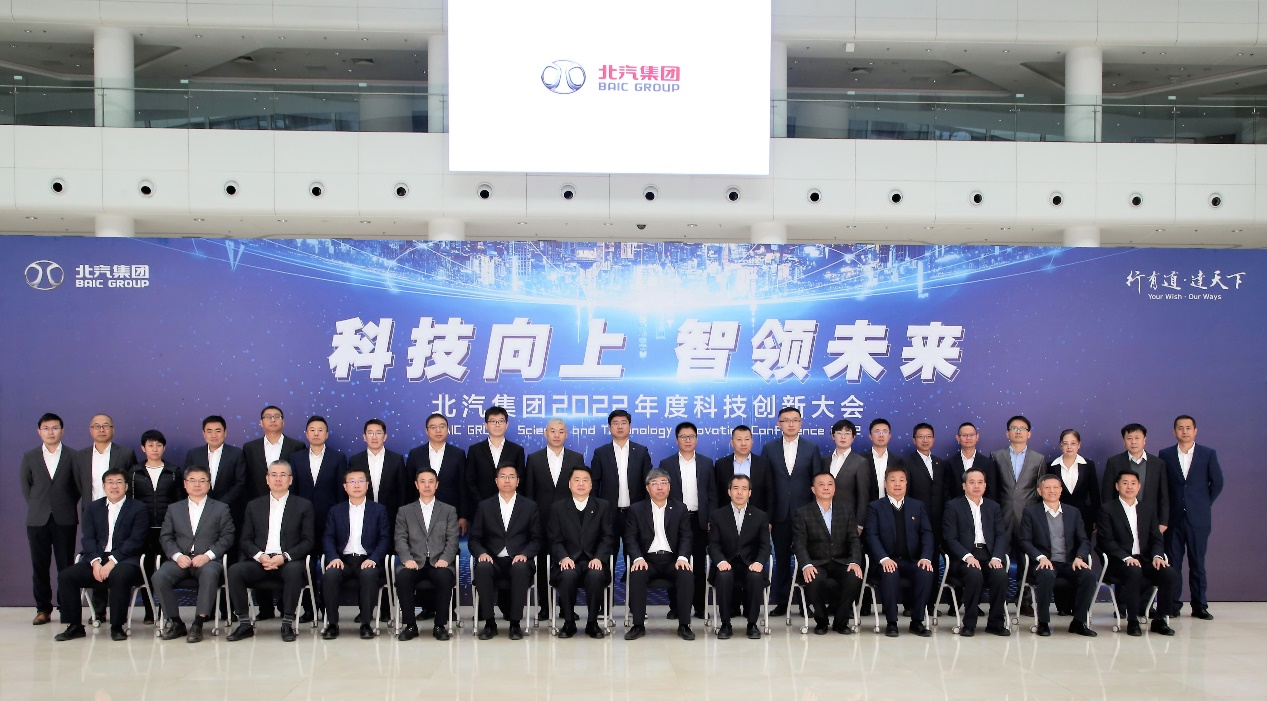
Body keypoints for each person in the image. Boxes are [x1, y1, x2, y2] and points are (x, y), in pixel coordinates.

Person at [54, 467, 148, 642]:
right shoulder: (93, 508)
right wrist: (96, 562)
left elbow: (136, 541)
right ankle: (74, 626)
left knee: (119, 576)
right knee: (66, 576)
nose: (114, 486)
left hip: (126, 559)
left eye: (119, 482)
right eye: (110, 483)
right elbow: (88, 538)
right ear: (104, 486)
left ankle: (117, 626)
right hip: (97, 558)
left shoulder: (138, 508)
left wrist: (112, 561)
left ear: (126, 486)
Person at [226, 460, 315, 643]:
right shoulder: (254, 506)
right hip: (261, 561)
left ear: (290, 480)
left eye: (283, 475)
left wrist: (285, 557)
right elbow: (245, 540)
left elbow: (308, 541)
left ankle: (287, 624)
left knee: (294, 571)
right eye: (274, 475)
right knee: (235, 571)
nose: (278, 479)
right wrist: (260, 556)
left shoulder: (303, 505)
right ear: (267, 479)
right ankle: (244, 624)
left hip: (288, 561)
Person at [151, 464, 235, 643]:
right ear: (185, 484)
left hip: (208, 561)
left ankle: (198, 624)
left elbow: (228, 536)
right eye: (192, 480)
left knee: (210, 574)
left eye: (202, 481)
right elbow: (165, 536)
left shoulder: (221, 508)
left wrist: (208, 555)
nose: (197, 484)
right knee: (159, 576)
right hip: (179, 561)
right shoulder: (174, 508)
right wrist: (177, 556)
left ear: (209, 484)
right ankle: (176, 622)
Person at [1098, 470, 1177, 636]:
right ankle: (1133, 620)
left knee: (1168, 572)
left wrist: (1157, 556)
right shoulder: (1107, 509)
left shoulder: (1147, 509)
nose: (1129, 487)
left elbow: (1157, 538)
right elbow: (1106, 541)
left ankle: (1160, 620)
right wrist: (1126, 557)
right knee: (1134, 570)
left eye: (1133, 483)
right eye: (1125, 483)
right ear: (1117, 486)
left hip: (1146, 560)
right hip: (1119, 562)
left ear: (1139, 486)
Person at [1159, 415, 1223, 620]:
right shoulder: (1165, 454)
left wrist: (1202, 504)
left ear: (1195, 431)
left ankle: (1199, 605)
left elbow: (1217, 483)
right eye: (1180, 428)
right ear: (1174, 431)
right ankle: (1172, 605)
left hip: (1198, 519)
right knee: (1173, 564)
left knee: (1197, 563)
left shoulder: (1208, 454)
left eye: (1188, 428)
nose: (1184, 431)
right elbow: (1163, 486)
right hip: (1173, 518)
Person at [524, 418, 586, 621]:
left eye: (560, 431)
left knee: (569, 562)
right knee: (543, 564)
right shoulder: (534, 459)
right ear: (545, 433)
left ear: (566, 434)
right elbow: (529, 493)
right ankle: (545, 606)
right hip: (541, 520)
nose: (556, 435)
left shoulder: (576, 458)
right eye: (552, 431)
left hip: (569, 520)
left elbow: (581, 490)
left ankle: (567, 608)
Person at [22, 413, 81, 626]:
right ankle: (43, 609)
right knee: (40, 566)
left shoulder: (73, 455)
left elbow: (77, 487)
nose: (50, 432)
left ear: (62, 431)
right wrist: (41, 505)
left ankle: (66, 607)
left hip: (64, 518)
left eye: (55, 428)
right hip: (37, 519)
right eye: (46, 428)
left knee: (65, 566)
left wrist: (62, 504)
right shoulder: (30, 456)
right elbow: (26, 487)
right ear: (39, 432)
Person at [1020, 474, 1097, 637]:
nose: (1052, 491)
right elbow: (1025, 541)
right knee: (1046, 575)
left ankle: (1078, 622)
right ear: (1040, 491)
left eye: (1055, 487)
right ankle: (1043, 623)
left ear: (1061, 490)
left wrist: (1080, 557)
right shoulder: (1030, 512)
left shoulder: (1073, 512)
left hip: (1069, 562)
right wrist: (1040, 557)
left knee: (1089, 576)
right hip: (1044, 562)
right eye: (1047, 488)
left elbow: (1084, 540)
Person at [762, 406, 822, 617]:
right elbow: (765, 484)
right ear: (778, 424)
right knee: (781, 560)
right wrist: (767, 516)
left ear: (800, 423)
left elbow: (817, 482)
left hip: (805, 515)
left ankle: (808, 604)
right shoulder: (769, 448)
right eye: (785, 420)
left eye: (794, 420)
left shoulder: (811, 448)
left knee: (807, 560)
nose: (790, 424)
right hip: (779, 515)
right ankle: (782, 602)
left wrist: (815, 514)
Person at [623, 469, 695, 641]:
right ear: (647, 488)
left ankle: (684, 625)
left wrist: (682, 558)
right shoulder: (636, 509)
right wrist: (638, 558)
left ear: (669, 486)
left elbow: (686, 536)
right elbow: (630, 538)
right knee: (637, 573)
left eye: (664, 483)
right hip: (647, 560)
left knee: (686, 574)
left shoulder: (680, 508)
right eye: (654, 483)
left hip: (672, 560)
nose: (660, 487)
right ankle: (638, 625)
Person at [470, 464, 539, 640]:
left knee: (520, 568)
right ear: (496, 481)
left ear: (518, 481)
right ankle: (489, 623)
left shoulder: (529, 506)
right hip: (492, 559)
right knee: (482, 568)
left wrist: (525, 554)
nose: (507, 480)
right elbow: (474, 539)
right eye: (503, 476)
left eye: (511, 476)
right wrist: (481, 553)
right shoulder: (484, 506)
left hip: (519, 559)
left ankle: (515, 624)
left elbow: (537, 539)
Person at [290, 415, 348, 622]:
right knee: (306, 565)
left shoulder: (338, 458)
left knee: (328, 565)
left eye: (320, 430)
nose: (316, 433)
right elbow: (293, 492)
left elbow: (342, 494)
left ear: (327, 434)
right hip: (302, 521)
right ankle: (309, 608)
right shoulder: (296, 458)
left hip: (329, 521)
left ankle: (327, 608)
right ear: (306, 434)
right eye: (312, 430)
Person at [865, 468, 935, 637]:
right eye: (893, 480)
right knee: (890, 572)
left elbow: (927, 533)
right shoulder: (875, 507)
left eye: (901, 480)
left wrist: (926, 557)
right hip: (886, 561)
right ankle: (891, 622)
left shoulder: (917, 506)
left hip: (911, 560)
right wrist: (883, 559)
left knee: (925, 572)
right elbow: (871, 535)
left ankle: (917, 621)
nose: (897, 484)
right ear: (885, 483)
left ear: (906, 483)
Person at [321, 467, 389, 640]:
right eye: (352, 481)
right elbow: (328, 537)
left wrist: (374, 559)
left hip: (367, 559)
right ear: (345, 487)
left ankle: (366, 623)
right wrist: (333, 557)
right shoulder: (336, 511)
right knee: (330, 575)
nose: (356, 485)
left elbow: (384, 539)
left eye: (360, 481)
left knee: (369, 574)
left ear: (367, 485)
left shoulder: (379, 510)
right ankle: (332, 624)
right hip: (342, 560)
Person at [546, 467, 615, 638]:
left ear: (591, 485)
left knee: (595, 575)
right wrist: (563, 557)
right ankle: (569, 623)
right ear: (569, 484)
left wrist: (599, 558)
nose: (581, 483)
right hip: (569, 560)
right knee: (567, 575)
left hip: (593, 560)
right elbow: (554, 539)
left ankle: (592, 623)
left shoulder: (602, 506)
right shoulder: (558, 508)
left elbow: (607, 537)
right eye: (576, 480)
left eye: (585, 480)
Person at [393, 468, 460, 641]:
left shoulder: (448, 510)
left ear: (437, 485)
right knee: (403, 577)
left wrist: (445, 559)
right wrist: (407, 559)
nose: (427, 485)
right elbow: (400, 538)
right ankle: (410, 625)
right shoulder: (405, 511)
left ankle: (440, 625)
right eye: (422, 481)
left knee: (445, 577)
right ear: (416, 485)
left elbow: (453, 540)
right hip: (414, 562)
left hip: (439, 562)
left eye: (431, 481)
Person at [942, 467, 1009, 636]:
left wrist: (997, 557)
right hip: (964, 557)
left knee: (1000, 575)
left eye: (980, 482)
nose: (976, 486)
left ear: (985, 485)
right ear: (964, 485)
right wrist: (967, 556)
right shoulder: (953, 506)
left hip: (988, 555)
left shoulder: (993, 507)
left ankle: (995, 623)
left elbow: (1001, 535)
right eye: (972, 482)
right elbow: (950, 538)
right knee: (974, 574)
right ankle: (969, 623)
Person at [793, 472, 863, 635]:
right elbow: (799, 543)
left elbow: (854, 540)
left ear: (834, 488)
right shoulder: (803, 512)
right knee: (813, 578)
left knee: (854, 576)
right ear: (813, 489)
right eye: (821, 484)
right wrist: (806, 565)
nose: (826, 488)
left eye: (830, 484)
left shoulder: (846, 511)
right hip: (816, 563)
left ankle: (841, 621)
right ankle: (821, 621)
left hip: (841, 562)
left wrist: (854, 561)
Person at [130, 429, 185, 624]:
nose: (155, 449)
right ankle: (149, 610)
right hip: (143, 530)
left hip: (167, 529)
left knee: (164, 570)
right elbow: (130, 502)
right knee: (146, 570)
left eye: (159, 445)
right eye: (150, 445)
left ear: (164, 448)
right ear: (143, 448)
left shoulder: (173, 471)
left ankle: (164, 610)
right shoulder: (134, 472)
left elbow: (180, 501)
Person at [708, 474, 770, 640]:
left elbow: (765, 545)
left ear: (750, 492)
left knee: (756, 577)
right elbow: (713, 544)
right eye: (736, 488)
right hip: (726, 563)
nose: (740, 492)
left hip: (750, 563)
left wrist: (759, 562)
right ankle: (725, 624)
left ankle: (752, 624)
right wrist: (720, 561)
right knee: (724, 576)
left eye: (744, 489)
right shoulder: (718, 515)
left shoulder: (760, 516)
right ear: (729, 491)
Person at [663, 421, 714, 620]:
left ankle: (700, 606)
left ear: (696, 439)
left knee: (699, 565)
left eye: (691, 436)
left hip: (699, 520)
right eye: (683, 437)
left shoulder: (706, 463)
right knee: (676, 563)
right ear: (677, 440)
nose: (687, 440)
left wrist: (710, 518)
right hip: (675, 521)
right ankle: (676, 606)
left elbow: (712, 494)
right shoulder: (666, 464)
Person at [591, 409, 654, 546]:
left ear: (629, 426)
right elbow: (594, 484)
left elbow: (649, 482)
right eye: (616, 423)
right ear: (610, 427)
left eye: (623, 423)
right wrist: (596, 510)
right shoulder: (601, 453)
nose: (620, 426)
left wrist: (646, 508)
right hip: (608, 513)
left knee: (634, 551)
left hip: (635, 512)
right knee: (608, 550)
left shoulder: (641, 451)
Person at [1102, 424, 1170, 538]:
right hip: (1121, 519)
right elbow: (1107, 493)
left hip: (1150, 520)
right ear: (1124, 441)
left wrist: (1163, 522)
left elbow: (1164, 495)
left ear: (1144, 440)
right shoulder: (1114, 462)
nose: (1133, 442)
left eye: (1137, 438)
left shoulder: (1158, 463)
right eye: (1129, 438)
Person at [182, 415, 247, 534]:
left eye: (218, 431)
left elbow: (240, 483)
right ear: (204, 434)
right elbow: (187, 480)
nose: (213, 435)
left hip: (229, 510)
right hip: (198, 509)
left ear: (225, 432)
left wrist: (220, 505)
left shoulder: (236, 454)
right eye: (209, 431)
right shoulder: (193, 454)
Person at [405, 413, 468, 531]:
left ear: (448, 429)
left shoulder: (458, 454)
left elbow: (463, 486)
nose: (438, 430)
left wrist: (463, 515)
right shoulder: (415, 454)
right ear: (426, 431)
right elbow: (408, 487)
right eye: (433, 427)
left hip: (450, 513)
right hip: (420, 513)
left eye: (442, 426)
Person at [989, 415, 1045, 546]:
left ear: (1029, 434)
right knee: (1001, 551)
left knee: (1027, 551)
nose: (1018, 431)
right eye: (1014, 428)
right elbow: (992, 487)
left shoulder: (1038, 459)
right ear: (1007, 433)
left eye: (1022, 428)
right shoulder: (996, 456)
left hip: (1027, 514)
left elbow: (1040, 490)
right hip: (1003, 512)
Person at [349, 418, 409, 529]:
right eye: (370, 433)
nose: (374, 437)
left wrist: (401, 517)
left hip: (391, 517)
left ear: (385, 436)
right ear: (364, 437)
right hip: (362, 516)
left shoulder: (396, 459)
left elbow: (402, 491)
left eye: (378, 433)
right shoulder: (355, 460)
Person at [466, 406, 526, 510]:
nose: (497, 424)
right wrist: (481, 504)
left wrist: (511, 503)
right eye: (493, 421)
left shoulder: (517, 450)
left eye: (501, 421)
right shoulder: (475, 450)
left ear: (507, 425)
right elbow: (470, 481)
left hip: (510, 507)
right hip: (480, 507)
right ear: (486, 425)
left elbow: (521, 480)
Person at [242, 405, 305, 503]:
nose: (273, 420)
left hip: (290, 503)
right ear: (261, 422)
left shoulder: (297, 446)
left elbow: (300, 479)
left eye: (277, 417)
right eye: (268, 417)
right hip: (257, 503)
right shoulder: (250, 448)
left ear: (283, 422)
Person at [76, 413, 137, 514]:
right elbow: (79, 485)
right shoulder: (81, 456)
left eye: (106, 426)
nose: (101, 430)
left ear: (113, 430)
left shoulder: (126, 454)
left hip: (119, 511)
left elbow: (131, 485)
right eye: (97, 426)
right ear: (91, 430)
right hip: (90, 511)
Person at [1045, 429, 1100, 536]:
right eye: (1065, 443)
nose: (1069, 447)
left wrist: (1096, 518)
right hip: (1057, 516)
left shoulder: (1088, 465)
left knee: (1083, 544)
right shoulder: (1051, 466)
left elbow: (1094, 494)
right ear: (1060, 445)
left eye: (1073, 443)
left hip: (1084, 516)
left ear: (1079, 445)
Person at [818, 419, 868, 534]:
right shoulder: (824, 461)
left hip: (848, 520)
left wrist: (859, 525)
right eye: (839, 433)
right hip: (824, 519)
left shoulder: (860, 462)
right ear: (833, 436)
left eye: (847, 433)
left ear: (853, 437)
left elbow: (863, 497)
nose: (843, 437)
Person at [906, 423, 949, 554]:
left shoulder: (940, 463)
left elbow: (944, 492)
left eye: (929, 436)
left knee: (935, 554)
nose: (925, 440)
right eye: (921, 437)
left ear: (933, 439)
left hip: (938, 519)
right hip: (916, 519)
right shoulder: (906, 462)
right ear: (914, 440)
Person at [715, 425, 773, 515]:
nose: (743, 443)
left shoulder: (764, 464)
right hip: (727, 517)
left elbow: (770, 494)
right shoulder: (721, 465)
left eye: (747, 439)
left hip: (757, 516)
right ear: (732, 442)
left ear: (752, 442)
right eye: (739, 440)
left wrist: (768, 519)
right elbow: (716, 494)